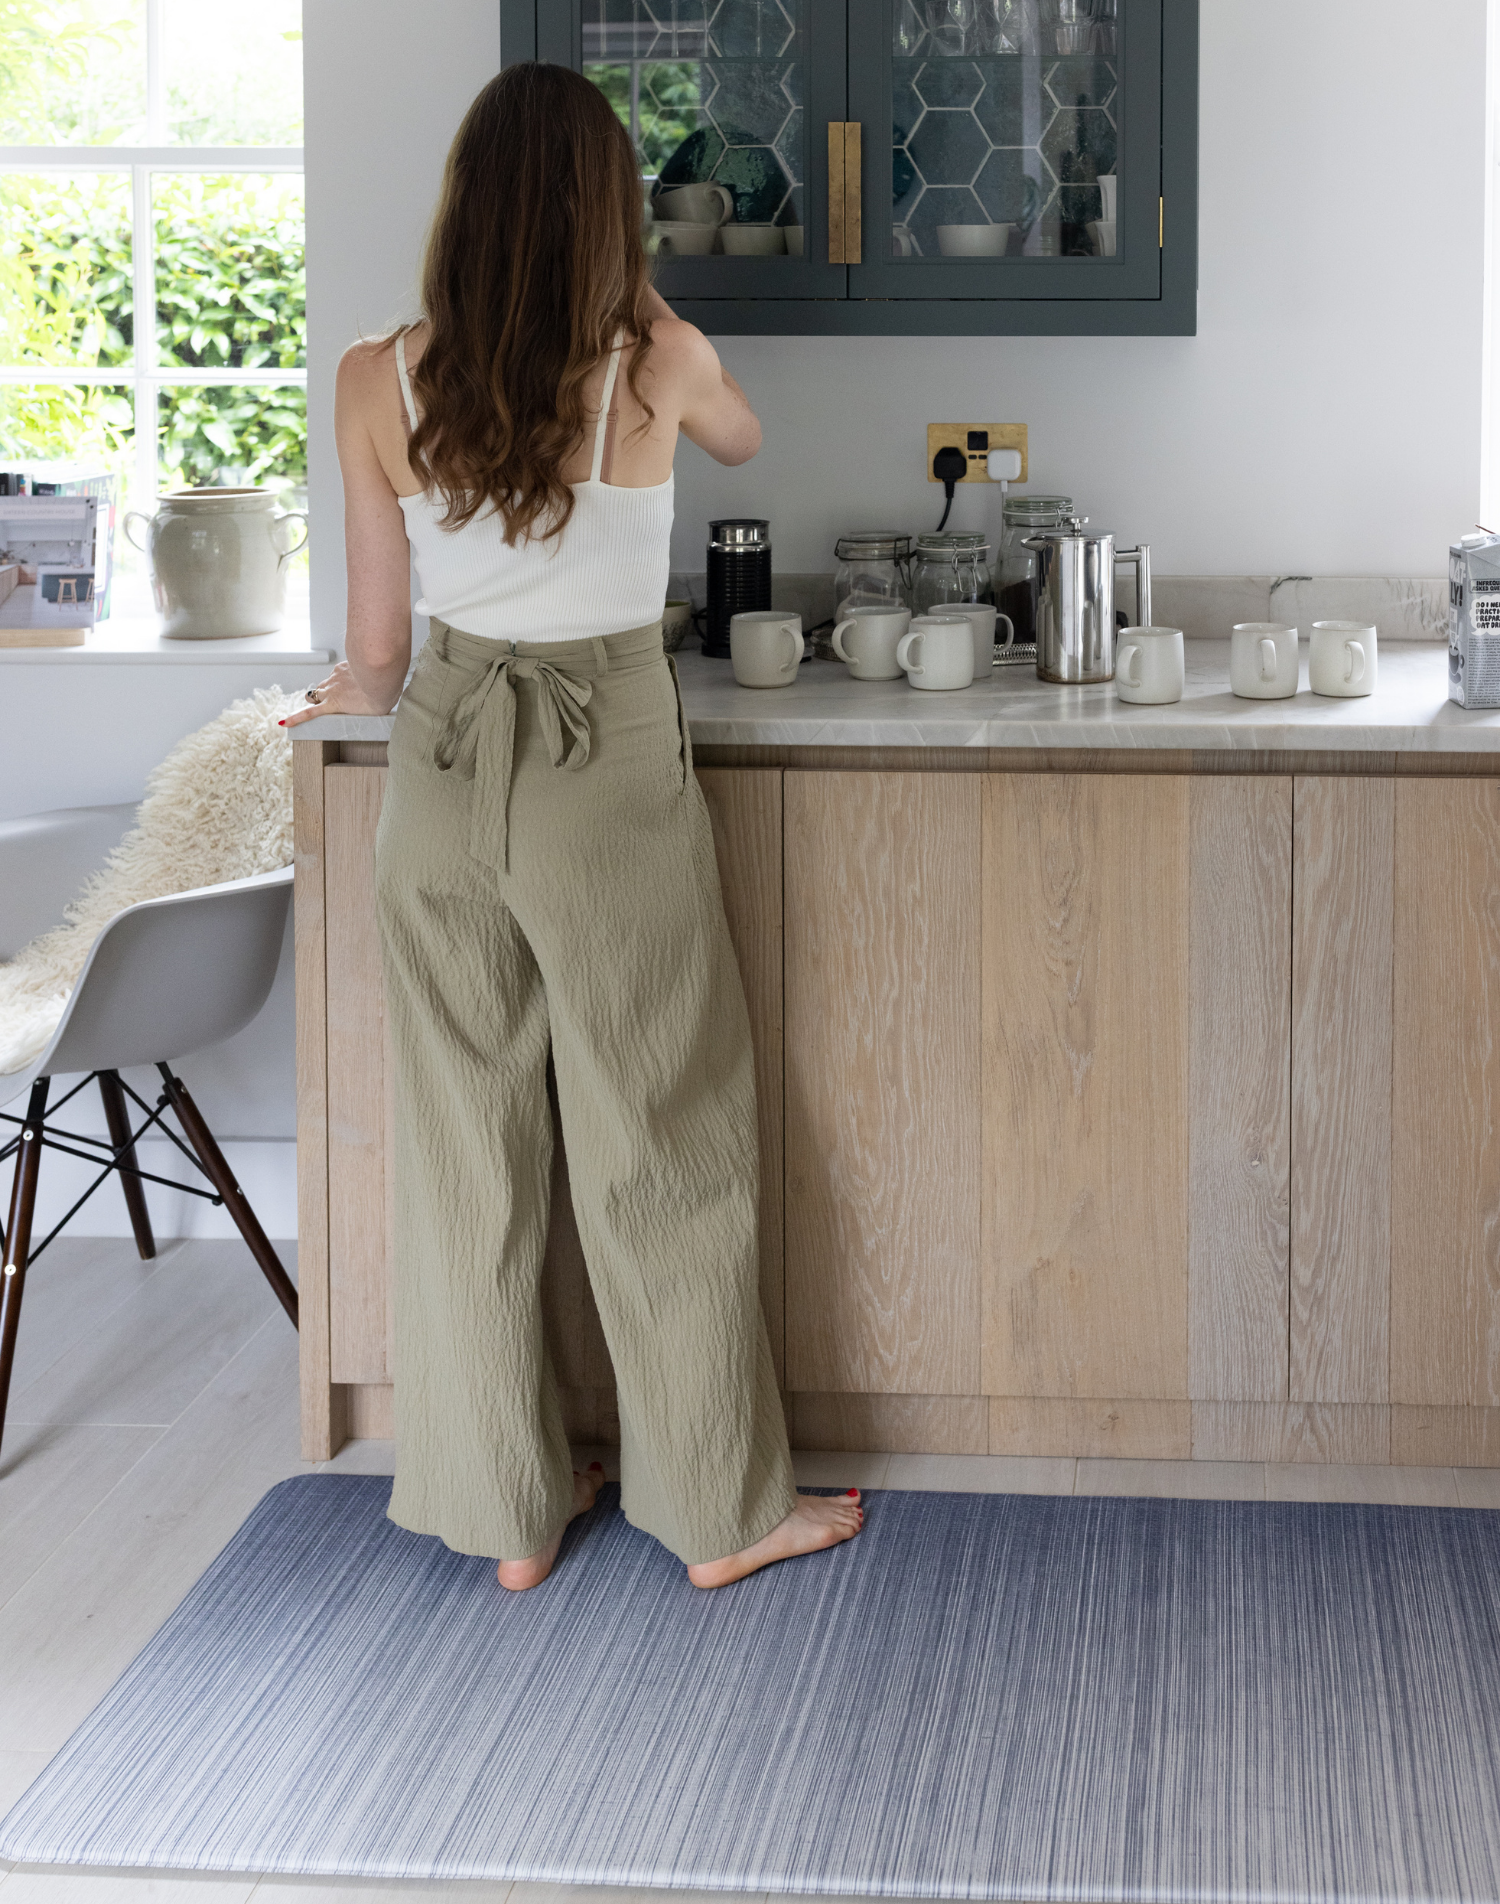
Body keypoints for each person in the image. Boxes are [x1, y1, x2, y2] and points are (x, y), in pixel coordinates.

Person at [285, 62, 862, 1591]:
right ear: (612, 214)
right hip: (602, 758)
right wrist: (654, 310)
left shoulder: (372, 379)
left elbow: (383, 649)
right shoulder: (653, 365)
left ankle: (506, 1517)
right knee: (659, 1133)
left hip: (446, 759)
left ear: (462, 209)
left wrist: (337, 690)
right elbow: (740, 438)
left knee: (467, 1150)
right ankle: (721, 1513)